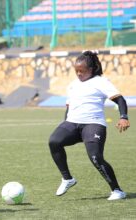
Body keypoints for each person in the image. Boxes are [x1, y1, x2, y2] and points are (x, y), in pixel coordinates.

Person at [48, 51, 130, 201]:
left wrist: (123, 117)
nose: (78, 74)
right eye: (76, 71)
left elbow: (120, 100)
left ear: (91, 69)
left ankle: (117, 191)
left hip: (93, 124)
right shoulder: (73, 85)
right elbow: (69, 107)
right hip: (72, 123)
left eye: (82, 71)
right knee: (54, 141)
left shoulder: (101, 82)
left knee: (95, 157)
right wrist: (64, 124)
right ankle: (67, 179)